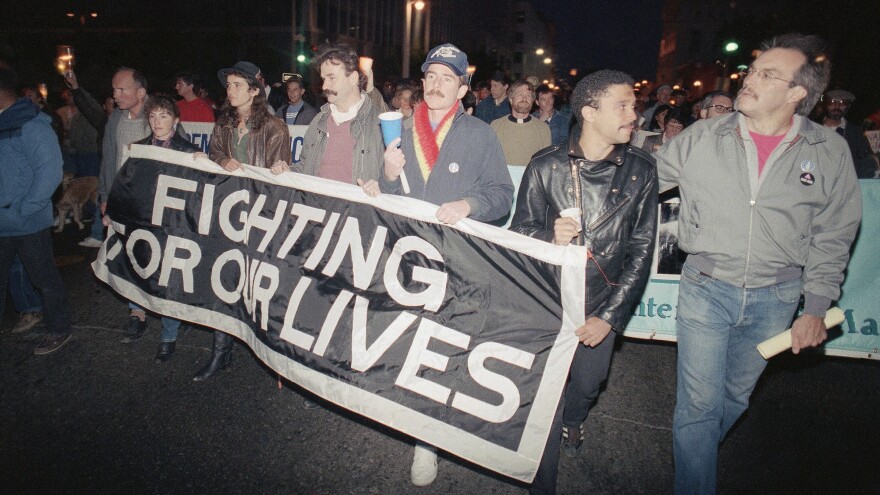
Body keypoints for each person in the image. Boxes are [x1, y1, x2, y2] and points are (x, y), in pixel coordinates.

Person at [653, 33, 862, 494]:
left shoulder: (829, 152)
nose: (750, 80)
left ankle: (696, 454)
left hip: (777, 298)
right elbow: (640, 183)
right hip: (705, 287)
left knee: (733, 397)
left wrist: (815, 307)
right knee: (700, 406)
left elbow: (834, 234)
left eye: (768, 75)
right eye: (752, 71)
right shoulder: (703, 136)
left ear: (797, 94)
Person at [361, 42, 514, 487]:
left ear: (464, 90)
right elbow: (386, 191)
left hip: (456, 257)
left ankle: (429, 439)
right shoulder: (399, 128)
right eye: (431, 78)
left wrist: (469, 203)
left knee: (442, 345)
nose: (436, 85)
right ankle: (416, 425)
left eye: (448, 79)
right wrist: (384, 176)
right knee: (406, 339)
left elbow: (501, 194)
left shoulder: (480, 135)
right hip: (407, 255)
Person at [510, 69, 657, 495]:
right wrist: (547, 235)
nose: (634, 114)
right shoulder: (545, 165)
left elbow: (642, 251)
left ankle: (576, 420)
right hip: (550, 304)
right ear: (589, 113)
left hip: (601, 304)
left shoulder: (642, 169)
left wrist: (609, 318)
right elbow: (520, 233)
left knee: (588, 385)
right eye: (624, 106)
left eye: (634, 105)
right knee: (546, 402)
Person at [194, 60, 291, 381]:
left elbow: (282, 176)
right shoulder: (223, 123)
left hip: (259, 219)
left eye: (237, 85)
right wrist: (221, 158)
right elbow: (214, 155)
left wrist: (281, 170)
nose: (230, 91)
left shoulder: (275, 128)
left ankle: (276, 359)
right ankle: (220, 351)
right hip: (228, 214)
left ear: (254, 91)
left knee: (260, 287)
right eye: (229, 85)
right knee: (223, 281)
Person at [0, 67, 74, 355]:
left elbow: (50, 173)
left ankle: (59, 329)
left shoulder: (31, 125)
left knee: (44, 279)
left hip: (26, 221)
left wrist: (22, 211)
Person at [121, 94, 200, 362]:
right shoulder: (139, 149)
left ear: (176, 120)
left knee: (169, 280)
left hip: (173, 227)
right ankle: (138, 312)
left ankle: (169, 335)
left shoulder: (188, 152)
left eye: (164, 116)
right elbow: (127, 187)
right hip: (143, 223)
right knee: (140, 268)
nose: (157, 121)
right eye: (153, 116)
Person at [293, 43, 384, 184]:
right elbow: (306, 165)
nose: (324, 86)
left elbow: (391, 179)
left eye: (332, 78)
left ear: (353, 78)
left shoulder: (379, 123)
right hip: (316, 204)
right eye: (324, 79)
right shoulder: (318, 121)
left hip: (357, 206)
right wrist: (287, 172)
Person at [81, 67, 151, 249]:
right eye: (114, 90)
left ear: (141, 92)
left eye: (122, 90)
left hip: (149, 203)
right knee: (121, 255)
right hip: (120, 199)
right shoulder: (115, 119)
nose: (115, 96)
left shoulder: (160, 116)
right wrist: (105, 197)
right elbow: (108, 161)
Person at [818, 89, 879, 178]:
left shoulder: (856, 133)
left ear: (848, 106)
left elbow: (869, 162)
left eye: (843, 103)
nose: (837, 106)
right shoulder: (812, 129)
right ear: (825, 105)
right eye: (832, 102)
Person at [490, 80, 552, 166]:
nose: (524, 98)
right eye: (520, 95)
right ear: (511, 99)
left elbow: (545, 162)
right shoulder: (496, 126)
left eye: (528, 95)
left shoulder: (543, 129)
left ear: (533, 101)